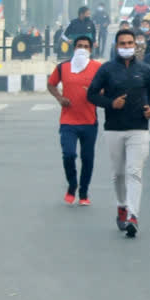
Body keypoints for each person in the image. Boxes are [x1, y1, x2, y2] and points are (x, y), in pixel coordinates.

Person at [87, 29, 150, 238]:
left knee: (134, 172)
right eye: (123, 43)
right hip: (114, 128)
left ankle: (133, 216)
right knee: (118, 174)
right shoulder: (107, 70)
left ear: (135, 46)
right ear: (116, 46)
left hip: (139, 128)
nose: (126, 47)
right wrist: (110, 103)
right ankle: (121, 205)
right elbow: (91, 94)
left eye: (130, 43)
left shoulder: (145, 70)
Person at [47, 36, 102, 206]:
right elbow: (51, 84)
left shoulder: (98, 68)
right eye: (79, 46)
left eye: (86, 46)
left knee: (87, 158)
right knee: (69, 154)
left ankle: (84, 192)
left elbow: (106, 88)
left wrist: (96, 95)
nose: (82, 49)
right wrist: (60, 98)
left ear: (91, 50)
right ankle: (72, 184)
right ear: (74, 48)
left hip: (89, 121)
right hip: (68, 121)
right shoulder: (63, 67)